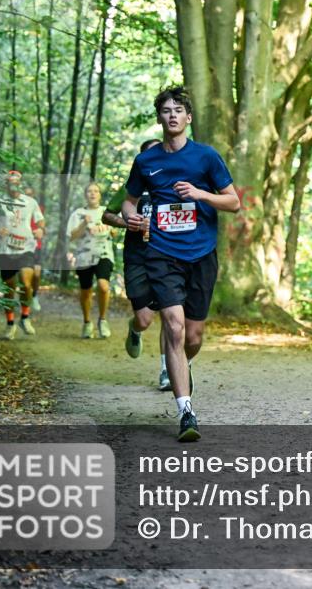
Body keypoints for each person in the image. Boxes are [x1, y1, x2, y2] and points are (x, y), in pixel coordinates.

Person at [122, 86, 240, 441]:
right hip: (161, 252)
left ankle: (183, 367)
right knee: (172, 326)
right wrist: (132, 218)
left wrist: (201, 194)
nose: (172, 115)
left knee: (192, 335)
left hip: (201, 254)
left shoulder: (206, 157)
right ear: (159, 118)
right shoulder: (146, 161)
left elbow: (233, 203)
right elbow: (128, 202)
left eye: (178, 110)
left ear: (188, 118)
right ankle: (186, 412)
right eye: (166, 110)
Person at [103, 139, 170, 390]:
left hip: (167, 257)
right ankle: (135, 328)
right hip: (137, 258)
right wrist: (127, 223)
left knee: (169, 313)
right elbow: (107, 215)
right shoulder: (131, 188)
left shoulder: (173, 184)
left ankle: (166, 371)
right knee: (145, 318)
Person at [0, 171, 44, 340]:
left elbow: (40, 220)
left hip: (26, 248)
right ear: (6, 185)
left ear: (20, 183)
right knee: (9, 288)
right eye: (10, 182)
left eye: (16, 182)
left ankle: (25, 318)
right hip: (6, 250)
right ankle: (10, 324)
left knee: (26, 283)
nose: (14, 185)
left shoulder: (30, 202)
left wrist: (40, 228)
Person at [67, 182, 115, 339]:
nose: (93, 194)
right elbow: (72, 236)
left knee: (103, 286)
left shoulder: (106, 212)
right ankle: (87, 322)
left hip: (104, 254)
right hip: (84, 256)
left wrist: (110, 228)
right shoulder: (78, 213)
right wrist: (84, 223)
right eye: (89, 191)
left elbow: (115, 232)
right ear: (85, 195)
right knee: (86, 291)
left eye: (96, 191)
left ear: (100, 195)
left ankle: (102, 320)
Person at [24, 187, 44, 311]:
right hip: (21, 246)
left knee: (36, 273)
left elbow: (42, 225)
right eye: (26, 195)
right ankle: (23, 298)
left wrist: (40, 230)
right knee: (23, 276)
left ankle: (35, 295)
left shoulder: (38, 209)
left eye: (30, 195)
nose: (28, 198)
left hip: (36, 245)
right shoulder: (18, 209)